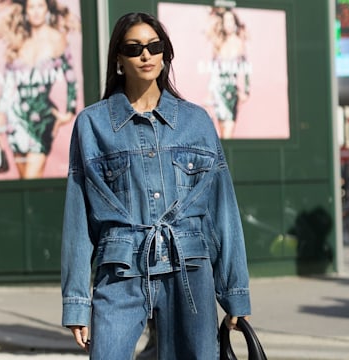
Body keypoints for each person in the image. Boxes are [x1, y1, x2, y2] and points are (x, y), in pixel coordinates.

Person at [60, 12, 251, 359]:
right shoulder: (92, 124)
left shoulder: (196, 122)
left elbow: (223, 210)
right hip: (121, 272)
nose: (145, 55)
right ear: (118, 59)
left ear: (165, 55)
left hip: (189, 270)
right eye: (134, 48)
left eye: (154, 46)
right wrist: (76, 302)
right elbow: (78, 218)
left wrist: (234, 292)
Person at [0, 0, 78, 179]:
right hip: (15, 118)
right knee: (24, 182)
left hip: (42, 117)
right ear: (25, 11)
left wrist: (69, 112)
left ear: (47, 9)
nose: (36, 12)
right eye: (32, 7)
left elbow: (71, 78)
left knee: (33, 178)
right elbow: (8, 87)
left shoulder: (57, 39)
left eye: (40, 6)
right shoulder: (18, 39)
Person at [206, 7, 251, 139]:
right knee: (222, 134)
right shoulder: (218, 44)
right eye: (226, 20)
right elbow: (213, 72)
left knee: (228, 133)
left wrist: (246, 91)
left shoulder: (240, 44)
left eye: (231, 20)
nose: (229, 23)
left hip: (233, 92)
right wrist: (210, 93)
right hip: (219, 91)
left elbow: (246, 70)